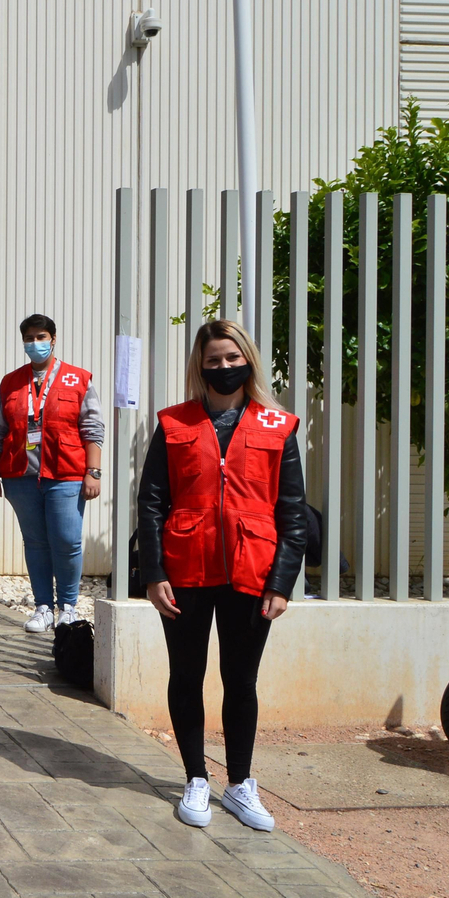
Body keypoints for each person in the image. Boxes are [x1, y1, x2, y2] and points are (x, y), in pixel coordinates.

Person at [137, 319, 304, 833]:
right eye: (213, 360)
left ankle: (239, 783)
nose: (224, 368)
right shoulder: (173, 424)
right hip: (186, 568)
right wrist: (153, 572)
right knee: (186, 676)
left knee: (241, 680)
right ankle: (195, 778)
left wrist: (281, 582)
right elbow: (150, 503)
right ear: (200, 366)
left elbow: (292, 512)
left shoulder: (279, 427)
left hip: (251, 571)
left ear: (248, 361)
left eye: (233, 358)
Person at [0, 314, 104, 633]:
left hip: (65, 473)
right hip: (20, 476)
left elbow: (92, 426)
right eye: (29, 338)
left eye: (41, 337)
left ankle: (68, 607)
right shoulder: (11, 382)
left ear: (53, 339)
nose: (35, 343)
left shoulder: (77, 379)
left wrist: (93, 471)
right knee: (35, 541)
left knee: (66, 540)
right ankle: (42, 607)